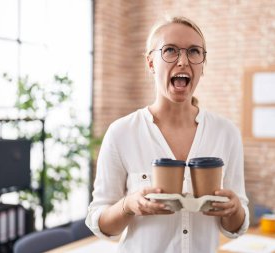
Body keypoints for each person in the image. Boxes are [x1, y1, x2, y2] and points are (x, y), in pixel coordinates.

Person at [86, 16, 249, 253]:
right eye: (170, 50)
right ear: (151, 63)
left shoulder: (227, 133)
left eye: (194, 52)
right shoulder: (121, 133)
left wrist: (234, 209)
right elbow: (100, 222)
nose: (183, 61)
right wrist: (128, 205)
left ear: (202, 65)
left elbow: (234, 227)